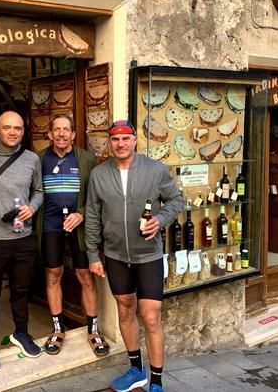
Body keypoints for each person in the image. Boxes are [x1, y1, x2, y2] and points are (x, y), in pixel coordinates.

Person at [85, 120, 184, 392]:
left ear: (135, 141)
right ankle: (135, 369)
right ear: (109, 143)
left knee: (151, 317)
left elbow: (176, 200)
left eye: (126, 138)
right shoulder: (99, 174)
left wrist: (161, 219)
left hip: (148, 256)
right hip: (116, 255)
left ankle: (157, 381)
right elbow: (92, 215)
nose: (120, 144)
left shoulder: (155, 170)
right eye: (115, 139)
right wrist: (93, 254)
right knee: (125, 309)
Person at [36, 114, 110, 357]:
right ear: (49, 134)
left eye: (66, 130)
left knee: (85, 275)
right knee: (53, 274)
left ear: (73, 134)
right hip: (50, 224)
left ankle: (93, 329)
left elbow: (97, 197)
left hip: (80, 226)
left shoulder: (87, 159)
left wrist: (81, 213)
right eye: (56, 129)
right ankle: (58, 329)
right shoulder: (39, 160)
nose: (61, 134)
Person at [0, 111, 44, 370]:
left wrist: (33, 207)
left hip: (24, 237)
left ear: (23, 132)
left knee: (21, 290)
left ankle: (21, 333)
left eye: (18, 128)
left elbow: (38, 191)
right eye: (7, 128)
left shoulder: (31, 159)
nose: (13, 132)